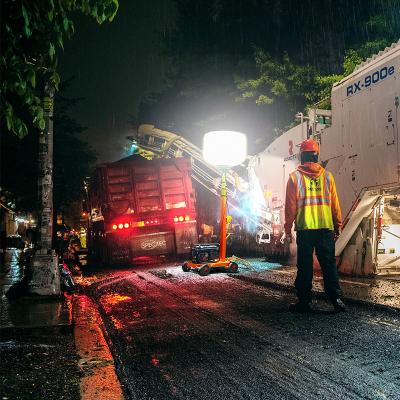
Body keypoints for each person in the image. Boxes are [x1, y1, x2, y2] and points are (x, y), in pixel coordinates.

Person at [284, 138, 346, 313]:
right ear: (317, 156)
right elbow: (335, 204)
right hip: (325, 228)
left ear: (302, 156)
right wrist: (338, 224)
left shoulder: (294, 178)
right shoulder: (328, 176)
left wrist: (287, 228)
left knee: (305, 265)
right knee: (328, 264)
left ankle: (304, 301)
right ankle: (336, 299)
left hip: (305, 229)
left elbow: (290, 207)